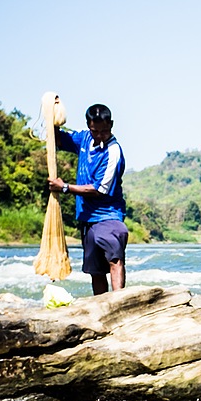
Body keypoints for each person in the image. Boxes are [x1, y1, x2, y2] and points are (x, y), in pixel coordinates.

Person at [48, 103, 129, 295]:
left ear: (112, 125)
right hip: (87, 218)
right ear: (88, 126)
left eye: (104, 131)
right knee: (96, 270)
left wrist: (65, 188)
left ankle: (119, 301)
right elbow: (58, 139)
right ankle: (101, 306)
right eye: (95, 131)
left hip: (108, 216)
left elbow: (99, 189)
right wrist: (52, 118)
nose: (100, 135)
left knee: (114, 259)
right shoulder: (84, 138)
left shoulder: (114, 151)